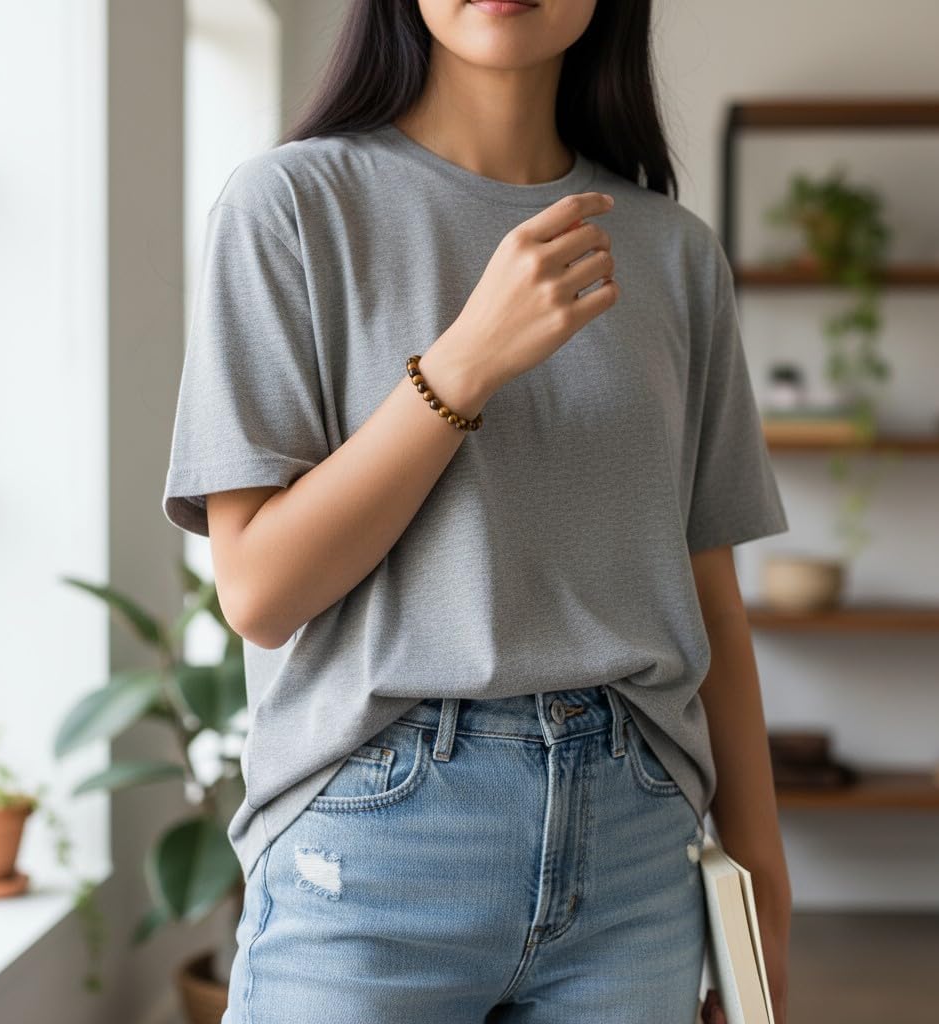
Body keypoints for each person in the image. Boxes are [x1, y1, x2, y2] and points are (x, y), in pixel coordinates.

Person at [161, 1, 793, 1021]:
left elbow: (711, 601)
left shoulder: (675, 253)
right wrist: (465, 364)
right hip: (370, 845)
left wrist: (763, 885)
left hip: (637, 849)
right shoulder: (288, 207)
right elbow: (260, 591)